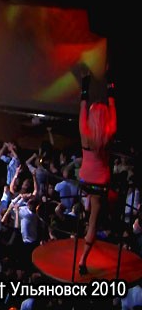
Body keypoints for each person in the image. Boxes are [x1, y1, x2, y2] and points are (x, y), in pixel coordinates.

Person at [77, 70, 117, 275]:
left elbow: (83, 106)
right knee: (94, 219)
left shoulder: (85, 131)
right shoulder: (109, 133)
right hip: (100, 182)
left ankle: (86, 205)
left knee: (90, 201)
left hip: (85, 179)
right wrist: (110, 86)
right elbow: (113, 109)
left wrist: (85, 84)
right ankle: (82, 260)